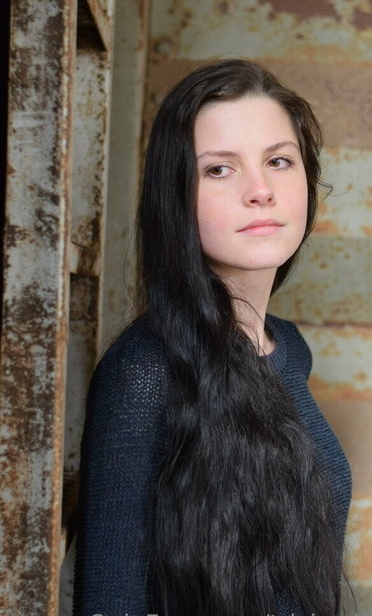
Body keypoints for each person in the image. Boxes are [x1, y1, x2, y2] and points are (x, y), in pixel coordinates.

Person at [73, 59, 352, 616]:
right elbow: (109, 599)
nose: (260, 191)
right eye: (219, 169)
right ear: (175, 196)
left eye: (278, 161)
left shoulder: (287, 348)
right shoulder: (144, 370)